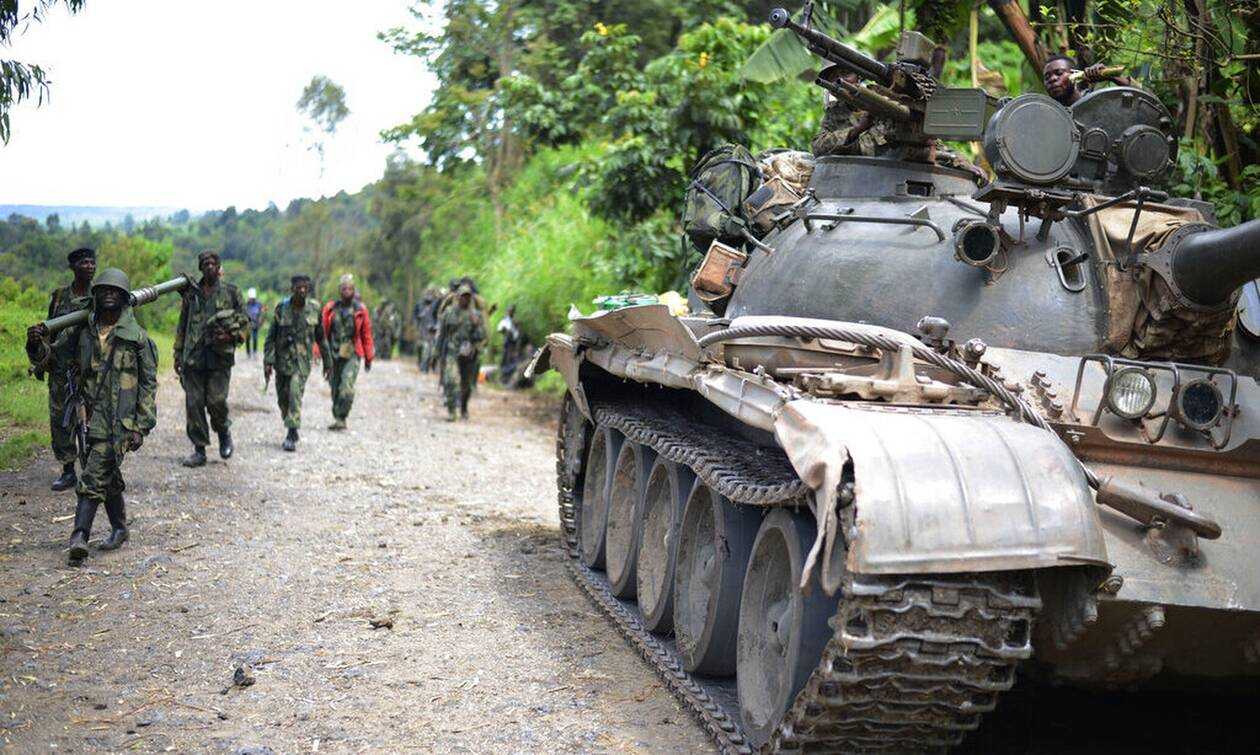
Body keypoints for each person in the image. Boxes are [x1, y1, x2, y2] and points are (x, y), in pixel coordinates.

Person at [25, 268, 157, 565]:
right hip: (88, 418)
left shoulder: (137, 339)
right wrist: (35, 344)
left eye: (115, 291)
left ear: (124, 298)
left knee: (93, 475)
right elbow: (53, 360)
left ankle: (79, 537)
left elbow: (148, 385)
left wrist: (141, 425)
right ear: (94, 296)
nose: (109, 294)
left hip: (120, 423)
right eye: (103, 290)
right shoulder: (81, 333)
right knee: (105, 473)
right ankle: (120, 528)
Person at [173, 250, 249, 467]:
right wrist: (178, 353)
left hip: (219, 357)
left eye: (213, 263)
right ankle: (199, 449)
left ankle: (224, 432)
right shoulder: (192, 294)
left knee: (216, 401)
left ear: (219, 267)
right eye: (205, 263)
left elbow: (245, 322)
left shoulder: (231, 292)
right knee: (194, 403)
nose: (209, 267)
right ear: (200, 268)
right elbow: (183, 324)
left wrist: (231, 336)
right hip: (193, 357)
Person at [42, 246, 96, 491]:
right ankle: (67, 470)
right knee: (61, 420)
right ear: (73, 267)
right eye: (84, 262)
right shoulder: (60, 296)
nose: (89, 266)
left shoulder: (100, 294)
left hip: (91, 368)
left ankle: (94, 468)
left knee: (94, 417)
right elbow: (50, 329)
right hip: (62, 369)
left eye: (92, 262)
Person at [264, 275, 328, 451]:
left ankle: (291, 432)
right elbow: (270, 338)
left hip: (302, 362)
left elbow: (321, 338)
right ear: (292, 289)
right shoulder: (282, 308)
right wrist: (268, 361)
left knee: (294, 393)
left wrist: (328, 362)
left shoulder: (314, 309)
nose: (302, 291)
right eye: (299, 287)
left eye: (305, 287)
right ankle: (291, 424)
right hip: (282, 361)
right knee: (283, 399)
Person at [320, 274, 374, 430]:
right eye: (344, 289)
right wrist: (319, 351)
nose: (347, 292)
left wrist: (369, 357)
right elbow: (322, 332)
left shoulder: (360, 310)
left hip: (352, 353)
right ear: (340, 290)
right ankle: (337, 415)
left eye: (350, 289)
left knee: (347, 388)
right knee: (335, 387)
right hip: (333, 353)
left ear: (354, 290)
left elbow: (366, 334)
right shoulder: (331, 309)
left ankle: (342, 417)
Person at [437, 284, 486, 421]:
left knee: (467, 385)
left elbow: (481, 336)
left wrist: (476, 325)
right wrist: (437, 352)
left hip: (468, 355)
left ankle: (463, 407)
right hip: (452, 351)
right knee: (451, 380)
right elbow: (442, 334)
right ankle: (452, 411)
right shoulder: (449, 313)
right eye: (463, 296)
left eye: (468, 297)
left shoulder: (475, 315)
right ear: (458, 297)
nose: (465, 299)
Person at [1042, 55, 1135, 108]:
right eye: (1047, 77)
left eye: (1059, 73)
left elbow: (1141, 97)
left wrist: (1111, 76)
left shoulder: (1098, 100)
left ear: (1074, 74)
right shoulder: (1051, 118)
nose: (1052, 79)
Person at [497, 304, 522, 384]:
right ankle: (503, 378)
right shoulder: (505, 320)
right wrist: (505, 330)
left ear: (513, 312)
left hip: (513, 343)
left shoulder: (516, 321)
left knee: (512, 360)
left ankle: (510, 379)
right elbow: (500, 330)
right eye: (509, 310)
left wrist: (516, 326)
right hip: (507, 343)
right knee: (505, 360)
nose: (510, 312)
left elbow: (518, 334)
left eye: (511, 311)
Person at [244, 288, 263, 358]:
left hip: (255, 323)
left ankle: (255, 352)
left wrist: (259, 322)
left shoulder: (258, 304)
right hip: (248, 324)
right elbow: (244, 313)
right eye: (250, 298)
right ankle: (248, 352)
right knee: (247, 338)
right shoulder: (246, 305)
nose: (251, 299)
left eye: (252, 298)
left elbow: (261, 314)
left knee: (255, 338)